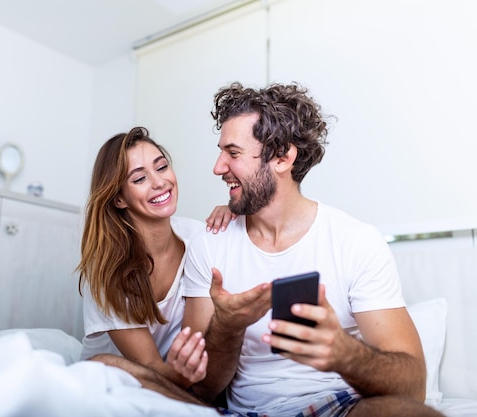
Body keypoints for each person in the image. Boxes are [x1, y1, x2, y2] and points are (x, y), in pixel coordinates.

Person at [179, 82, 445, 417]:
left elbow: (413, 388)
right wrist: (228, 327)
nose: (218, 167)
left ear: (282, 156)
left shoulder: (354, 241)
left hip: (339, 408)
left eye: (233, 153)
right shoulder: (209, 245)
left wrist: (345, 354)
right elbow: (200, 390)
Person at [77, 127, 234, 395]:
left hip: (174, 379)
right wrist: (186, 377)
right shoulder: (106, 269)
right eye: (139, 179)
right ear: (118, 198)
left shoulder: (198, 237)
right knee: (104, 365)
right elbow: (149, 365)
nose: (159, 182)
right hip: (121, 382)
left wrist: (236, 212)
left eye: (161, 167)